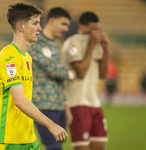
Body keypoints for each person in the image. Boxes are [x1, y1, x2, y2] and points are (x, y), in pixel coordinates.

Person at [0, 3, 68, 150]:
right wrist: (52, 125)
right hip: (7, 140)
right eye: (35, 23)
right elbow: (19, 100)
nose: (40, 29)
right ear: (21, 26)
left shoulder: (27, 58)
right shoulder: (8, 57)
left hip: (28, 139)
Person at [28, 7, 75, 150]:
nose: (66, 29)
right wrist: (72, 73)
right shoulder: (37, 42)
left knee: (57, 146)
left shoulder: (54, 45)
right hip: (44, 106)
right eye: (63, 24)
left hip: (59, 106)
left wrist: (66, 107)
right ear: (52, 21)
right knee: (54, 147)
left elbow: (59, 80)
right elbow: (54, 71)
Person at [61, 12, 109, 150]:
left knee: (100, 146)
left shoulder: (96, 44)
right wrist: (92, 46)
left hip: (94, 102)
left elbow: (103, 74)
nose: (96, 33)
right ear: (82, 26)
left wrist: (105, 50)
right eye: (93, 29)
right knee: (81, 148)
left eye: (98, 29)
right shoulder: (72, 43)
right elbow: (81, 72)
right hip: (77, 102)